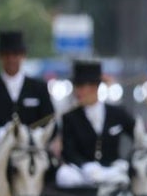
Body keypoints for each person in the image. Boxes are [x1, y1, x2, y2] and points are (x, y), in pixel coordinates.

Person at [57, 59, 135, 187]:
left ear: (94, 87)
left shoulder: (117, 113)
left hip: (112, 170)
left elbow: (137, 135)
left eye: (82, 86)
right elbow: (68, 151)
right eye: (77, 86)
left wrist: (126, 162)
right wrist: (85, 166)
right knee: (64, 176)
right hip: (83, 174)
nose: (78, 92)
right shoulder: (70, 117)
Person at [0, 30, 55, 153]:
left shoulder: (38, 88)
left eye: (15, 54)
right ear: (0, 57)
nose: (11, 59)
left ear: (23, 56)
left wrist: (36, 135)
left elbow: (49, 120)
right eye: (6, 55)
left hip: (32, 150)